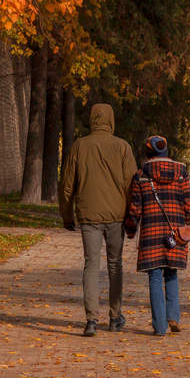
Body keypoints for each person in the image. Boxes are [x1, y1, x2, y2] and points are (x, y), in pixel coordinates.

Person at [59, 103, 138, 337]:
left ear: (92, 119)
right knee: (115, 265)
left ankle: (91, 320)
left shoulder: (79, 147)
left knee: (90, 265)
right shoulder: (122, 147)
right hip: (116, 215)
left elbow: (66, 186)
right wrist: (132, 215)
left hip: (89, 215)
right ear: (111, 120)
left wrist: (66, 215)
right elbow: (132, 185)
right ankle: (115, 317)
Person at [124, 135, 190, 336]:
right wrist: (185, 223)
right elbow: (188, 203)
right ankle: (174, 316)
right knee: (171, 274)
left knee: (155, 276)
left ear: (148, 152)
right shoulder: (181, 173)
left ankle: (160, 326)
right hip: (175, 233)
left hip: (151, 233)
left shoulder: (141, 175)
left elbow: (135, 208)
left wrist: (130, 229)